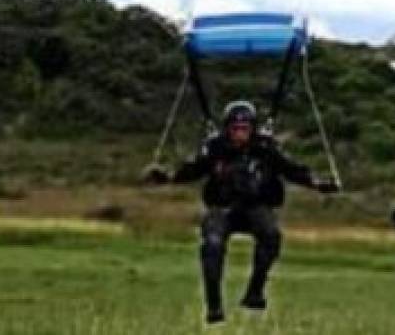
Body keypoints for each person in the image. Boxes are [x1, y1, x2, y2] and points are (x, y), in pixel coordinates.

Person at [146, 100, 340, 324]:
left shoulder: (265, 148)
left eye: (245, 129)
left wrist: (318, 184)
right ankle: (214, 305)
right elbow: (193, 169)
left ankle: (255, 291)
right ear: (227, 129)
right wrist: (167, 177)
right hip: (223, 208)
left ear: (252, 129)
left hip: (256, 206)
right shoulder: (215, 148)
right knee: (212, 244)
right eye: (235, 129)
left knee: (271, 235)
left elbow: (291, 169)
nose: (240, 134)